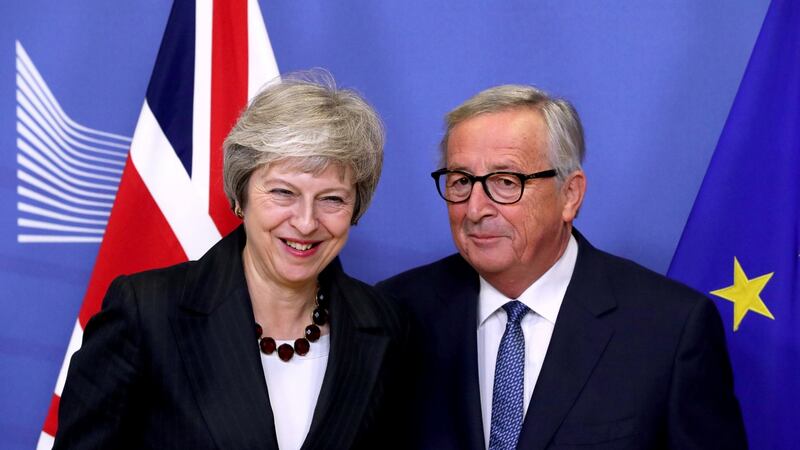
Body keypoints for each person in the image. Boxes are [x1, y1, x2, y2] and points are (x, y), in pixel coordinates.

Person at [377, 84, 746, 449]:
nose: (475, 210)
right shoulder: (395, 313)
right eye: (460, 182)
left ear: (570, 195)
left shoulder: (669, 327)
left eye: (506, 182)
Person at [54, 72, 408, 450]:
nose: (306, 222)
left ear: (356, 207)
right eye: (283, 192)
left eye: (332, 199)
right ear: (241, 196)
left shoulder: (385, 325)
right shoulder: (146, 312)